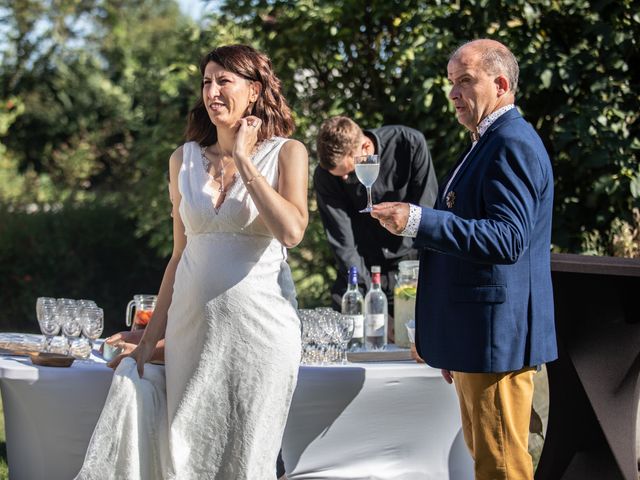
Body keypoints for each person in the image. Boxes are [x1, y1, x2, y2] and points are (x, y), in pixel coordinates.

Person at [76, 44, 308, 479]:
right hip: (191, 336)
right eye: (207, 81)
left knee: (248, 461)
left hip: (262, 338)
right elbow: (179, 256)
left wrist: (243, 157)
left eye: (225, 80)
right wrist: (147, 342)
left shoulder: (287, 153)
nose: (212, 91)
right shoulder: (182, 160)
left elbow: (292, 232)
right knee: (186, 457)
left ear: (254, 91)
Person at [371, 39, 557, 479]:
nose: (454, 93)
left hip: (496, 339)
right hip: (476, 336)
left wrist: (419, 220)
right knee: (487, 461)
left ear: (501, 83)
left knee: (503, 467)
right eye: (451, 83)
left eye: (465, 81)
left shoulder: (511, 142)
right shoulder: (486, 141)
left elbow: (508, 240)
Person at [314, 116, 438, 316]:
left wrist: (419, 276)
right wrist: (371, 304)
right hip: (362, 266)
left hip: (409, 266)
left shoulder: (409, 143)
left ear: (365, 146)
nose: (345, 179)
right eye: (340, 176)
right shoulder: (325, 176)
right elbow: (343, 244)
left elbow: (427, 215)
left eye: (348, 173)